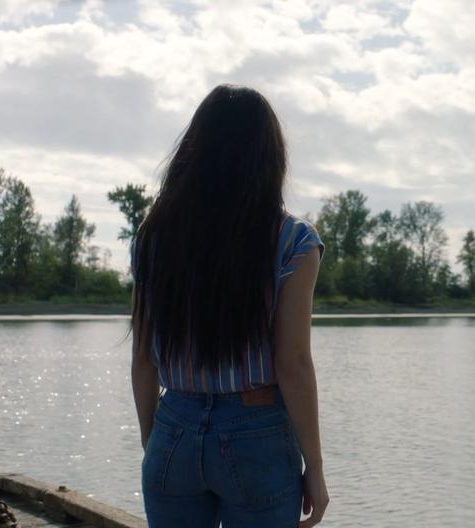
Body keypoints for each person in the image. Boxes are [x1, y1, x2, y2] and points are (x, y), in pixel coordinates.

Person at [129, 84, 330, 527]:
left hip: (173, 429)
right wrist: (314, 468)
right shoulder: (293, 241)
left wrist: (156, 444)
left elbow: (143, 360)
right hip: (256, 435)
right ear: (269, 157)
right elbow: (293, 363)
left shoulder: (153, 236)